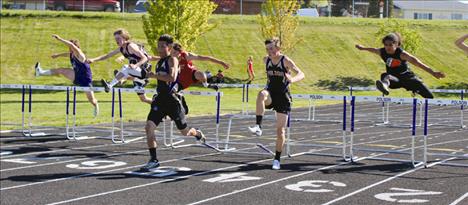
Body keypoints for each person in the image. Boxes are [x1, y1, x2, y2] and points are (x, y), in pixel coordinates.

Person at [141, 34, 207, 171]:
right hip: (160, 99)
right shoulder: (159, 62)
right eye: (158, 46)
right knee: (149, 127)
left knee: (184, 131)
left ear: (170, 47)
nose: (159, 49)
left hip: (172, 100)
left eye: (162, 46)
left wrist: (154, 75)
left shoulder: (172, 60)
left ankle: (197, 133)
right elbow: (159, 78)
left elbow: (172, 77)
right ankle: (153, 159)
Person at [248, 37, 305, 170]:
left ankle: (277, 159)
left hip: (283, 97)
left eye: (272, 48)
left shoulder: (285, 60)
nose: (270, 51)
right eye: (267, 49)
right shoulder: (265, 60)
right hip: (270, 94)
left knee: (280, 131)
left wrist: (292, 79)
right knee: (261, 94)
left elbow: (301, 73)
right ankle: (258, 126)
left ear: (278, 48)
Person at [355, 33, 445, 98]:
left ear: (397, 44)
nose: (388, 47)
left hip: (407, 78)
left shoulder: (402, 54)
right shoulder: (382, 51)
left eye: (390, 45)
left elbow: (418, 63)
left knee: (429, 97)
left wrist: (433, 72)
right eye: (386, 45)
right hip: (394, 80)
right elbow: (373, 49)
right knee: (385, 75)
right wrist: (363, 48)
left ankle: (417, 92)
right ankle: (385, 86)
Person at [35, 34, 99, 117]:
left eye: (71, 47)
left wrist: (60, 39)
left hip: (85, 80)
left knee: (91, 100)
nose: (70, 49)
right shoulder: (71, 54)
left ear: (76, 47)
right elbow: (67, 54)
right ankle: (40, 72)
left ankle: (96, 105)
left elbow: (71, 45)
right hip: (76, 75)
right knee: (62, 70)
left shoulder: (80, 55)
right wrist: (57, 55)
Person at [86, 29, 152, 104]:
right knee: (143, 99)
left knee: (125, 68)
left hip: (144, 71)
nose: (116, 41)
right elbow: (107, 55)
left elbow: (145, 58)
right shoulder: (121, 48)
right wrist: (93, 60)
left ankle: (110, 85)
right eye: (115, 39)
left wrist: (135, 65)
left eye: (118, 38)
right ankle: (161, 107)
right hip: (136, 73)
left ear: (124, 38)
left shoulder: (131, 46)